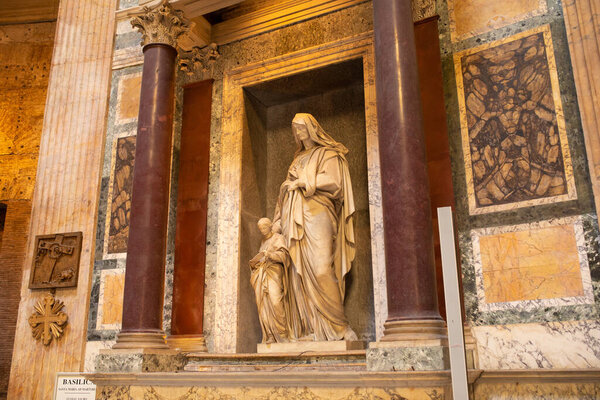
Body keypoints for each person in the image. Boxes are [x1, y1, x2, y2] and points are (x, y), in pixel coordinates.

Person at [273, 113, 357, 341]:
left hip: (319, 212)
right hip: (294, 215)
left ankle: (339, 327)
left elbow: (335, 183)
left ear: (312, 128)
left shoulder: (328, 153)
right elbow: (284, 191)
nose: (297, 132)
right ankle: (311, 329)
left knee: (321, 269)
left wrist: (304, 183)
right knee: (297, 275)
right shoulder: (297, 159)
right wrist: (277, 221)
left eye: (301, 127)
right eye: (294, 129)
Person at [249, 218, 290, 343]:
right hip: (262, 274)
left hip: (274, 273)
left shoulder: (278, 238)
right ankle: (270, 334)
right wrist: (255, 263)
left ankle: (282, 333)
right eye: (260, 229)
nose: (262, 231)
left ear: (270, 226)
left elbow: (284, 256)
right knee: (264, 304)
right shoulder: (263, 241)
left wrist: (270, 255)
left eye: (264, 228)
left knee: (276, 301)